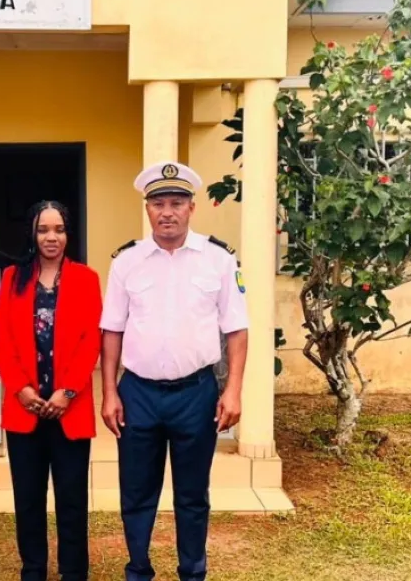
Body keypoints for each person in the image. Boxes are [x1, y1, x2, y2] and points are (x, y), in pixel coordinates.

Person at [99, 161, 249, 581]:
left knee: (193, 496)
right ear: (147, 209)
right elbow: (111, 330)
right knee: (136, 494)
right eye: (158, 203)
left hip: (196, 394)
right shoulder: (127, 261)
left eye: (177, 203)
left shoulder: (218, 259)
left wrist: (233, 390)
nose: (167, 212)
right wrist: (109, 392)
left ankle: (192, 572)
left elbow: (237, 329)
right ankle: (138, 570)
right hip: (139, 394)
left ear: (191, 208)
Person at [0, 200, 103, 581]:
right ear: (32, 233)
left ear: (68, 234)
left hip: (69, 409)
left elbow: (91, 339)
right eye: (43, 230)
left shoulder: (86, 279)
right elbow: (2, 338)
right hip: (25, 408)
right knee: (28, 500)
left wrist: (68, 391)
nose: (51, 237)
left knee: (72, 500)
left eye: (58, 229)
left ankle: (74, 572)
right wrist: (20, 388)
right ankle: (33, 570)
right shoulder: (12, 278)